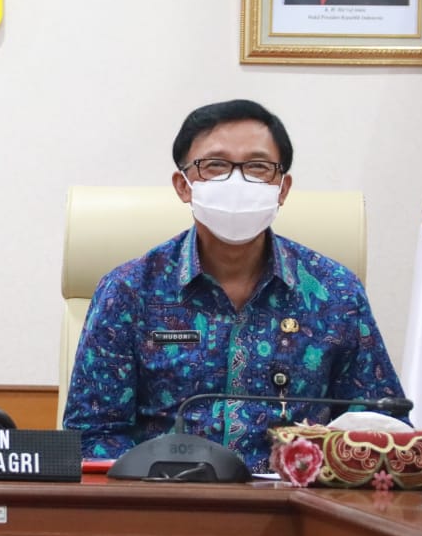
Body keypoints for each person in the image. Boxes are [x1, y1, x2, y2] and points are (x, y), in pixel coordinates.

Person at [62, 99, 404, 472]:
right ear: (183, 186)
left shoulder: (336, 292)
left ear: (282, 188)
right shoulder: (128, 291)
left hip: (294, 500)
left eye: (258, 167)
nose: (237, 182)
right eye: (215, 165)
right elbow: (92, 435)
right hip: (165, 498)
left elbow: (382, 425)